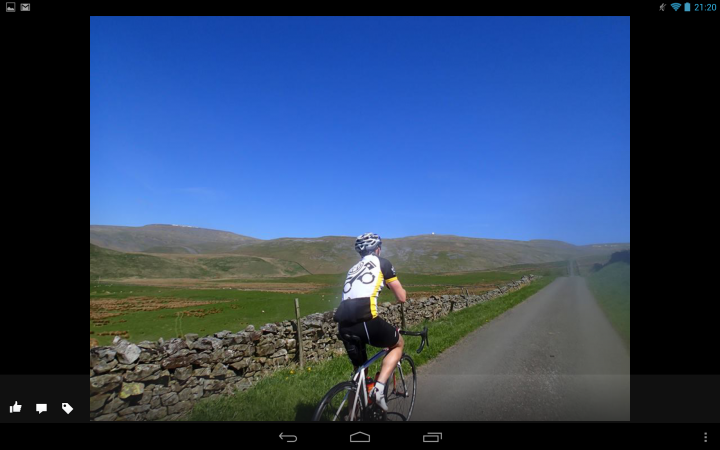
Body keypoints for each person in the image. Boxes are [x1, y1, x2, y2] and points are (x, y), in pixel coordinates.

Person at [333, 232, 407, 412]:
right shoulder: (383, 263)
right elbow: (402, 297)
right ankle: (379, 389)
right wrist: (391, 285)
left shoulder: (353, 269)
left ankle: (352, 415)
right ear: (378, 249)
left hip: (343, 324)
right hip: (366, 319)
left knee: (359, 372)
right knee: (397, 344)